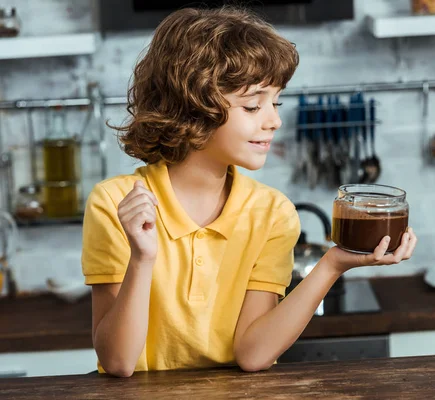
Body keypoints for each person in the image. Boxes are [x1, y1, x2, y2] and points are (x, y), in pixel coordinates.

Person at [81, 6, 417, 378]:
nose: (273, 120)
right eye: (253, 105)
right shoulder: (116, 204)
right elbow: (118, 362)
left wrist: (333, 264)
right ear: (192, 107)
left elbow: (253, 355)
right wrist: (141, 259)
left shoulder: (272, 213)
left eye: (276, 103)